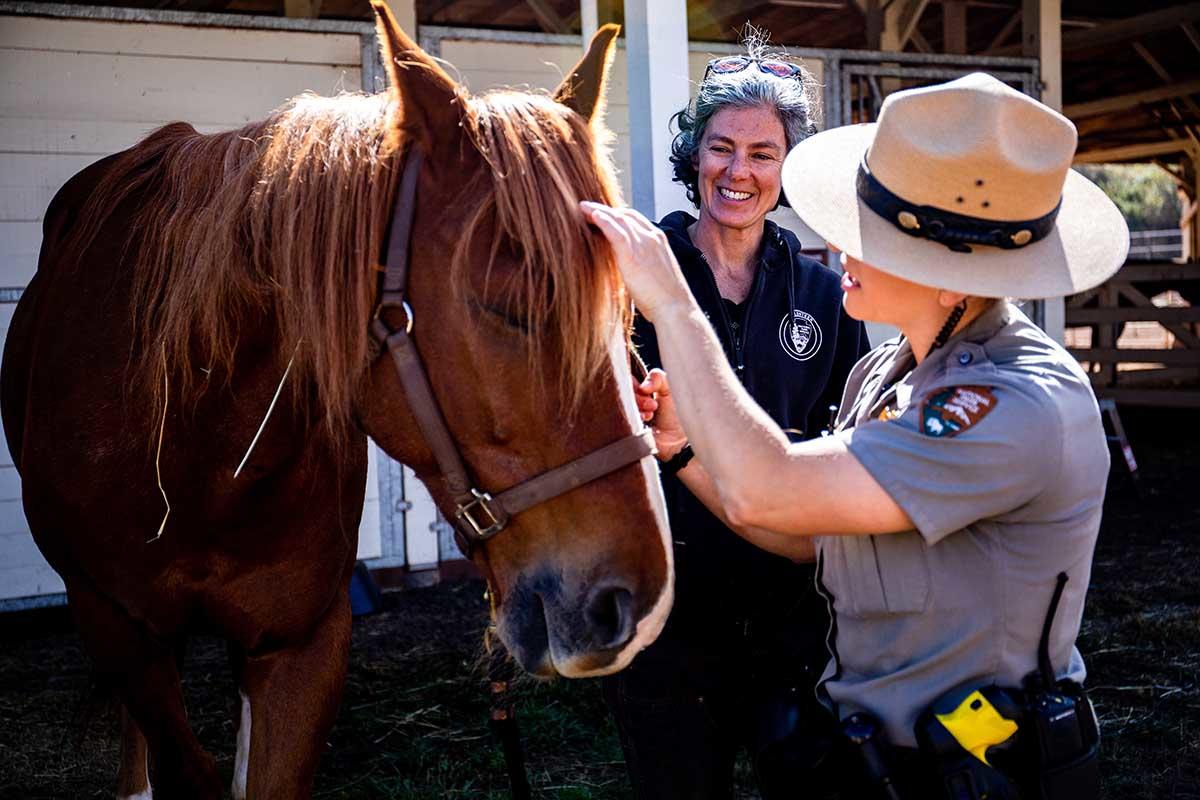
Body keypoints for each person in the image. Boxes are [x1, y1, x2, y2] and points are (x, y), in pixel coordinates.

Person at [583, 73, 1126, 799]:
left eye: (870, 230)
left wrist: (673, 306)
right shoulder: (890, 372)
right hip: (877, 756)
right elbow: (811, 531)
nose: (839, 242)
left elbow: (766, 489)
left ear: (946, 277)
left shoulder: (1011, 403)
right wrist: (682, 449)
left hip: (973, 771)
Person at [599, 41, 869, 800]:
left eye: (762, 152)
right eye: (720, 148)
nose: (738, 172)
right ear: (694, 155)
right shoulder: (632, 277)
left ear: (788, 167)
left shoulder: (823, 293)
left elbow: (844, 443)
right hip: (669, 615)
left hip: (799, 615)